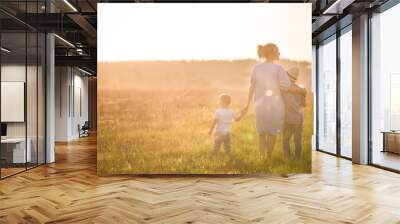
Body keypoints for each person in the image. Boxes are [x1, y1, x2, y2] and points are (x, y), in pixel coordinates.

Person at [241, 43, 304, 160]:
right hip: (275, 106)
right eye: (278, 51)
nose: (279, 54)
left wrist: (247, 104)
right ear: (271, 53)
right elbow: (285, 87)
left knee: (261, 132)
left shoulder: (257, 68)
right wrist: (301, 90)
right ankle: (268, 158)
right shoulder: (278, 68)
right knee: (272, 133)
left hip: (259, 105)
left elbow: (252, 87)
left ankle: (262, 157)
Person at [282, 67, 306, 159]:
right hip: (299, 119)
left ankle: (287, 158)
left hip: (288, 119)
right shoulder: (301, 90)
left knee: (286, 140)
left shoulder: (284, 90)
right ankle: (298, 159)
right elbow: (304, 104)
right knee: (298, 140)